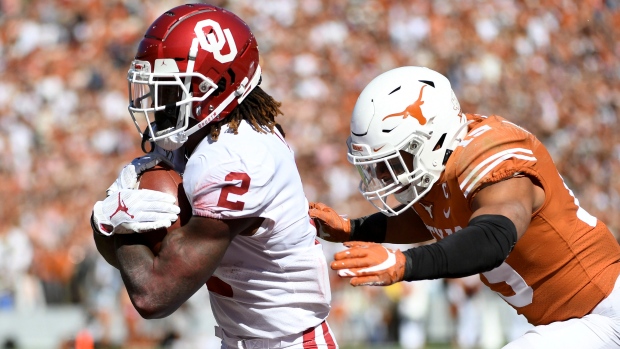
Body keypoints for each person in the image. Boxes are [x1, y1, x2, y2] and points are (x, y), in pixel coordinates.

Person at [309, 66, 620, 348]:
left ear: (430, 140)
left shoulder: (490, 153)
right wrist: (353, 228)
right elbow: (430, 221)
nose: (381, 176)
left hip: (605, 307)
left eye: (392, 161)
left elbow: (493, 236)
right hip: (575, 318)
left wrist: (403, 264)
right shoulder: (443, 170)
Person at [90, 4, 337, 348]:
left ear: (218, 84)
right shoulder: (196, 139)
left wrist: (121, 224)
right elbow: (131, 264)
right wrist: (105, 223)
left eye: (172, 89)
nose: (160, 102)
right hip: (238, 339)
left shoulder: (234, 155)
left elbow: (153, 295)